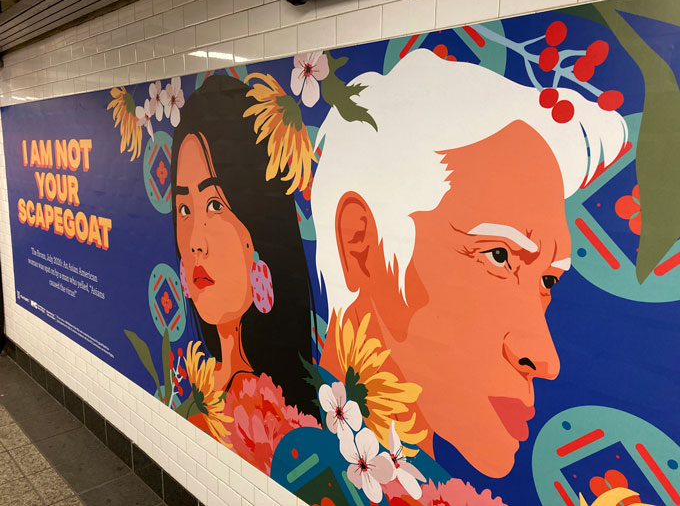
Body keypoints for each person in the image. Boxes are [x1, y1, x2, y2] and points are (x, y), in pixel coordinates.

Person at [310, 48, 628, 478]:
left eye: (547, 281)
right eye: (499, 256)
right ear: (361, 245)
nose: (545, 358)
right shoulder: (297, 455)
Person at [170, 74, 318, 418]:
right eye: (184, 210)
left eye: (215, 206)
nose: (195, 244)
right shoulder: (198, 383)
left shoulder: (287, 418)